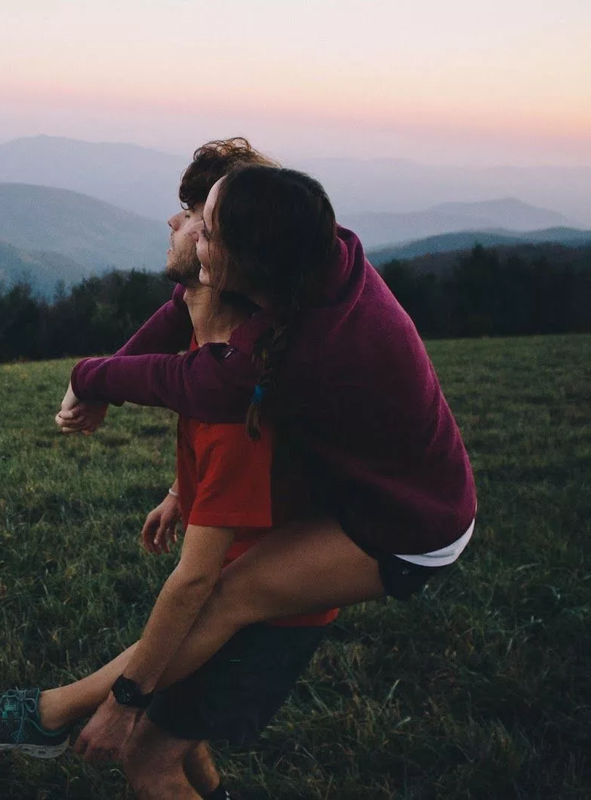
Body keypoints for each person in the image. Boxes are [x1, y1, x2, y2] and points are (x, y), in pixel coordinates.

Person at [0, 140, 339, 799]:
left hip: (268, 616)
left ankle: (44, 716)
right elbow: (158, 370)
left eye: (196, 219)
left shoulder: (238, 401)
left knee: (148, 758)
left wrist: (123, 700)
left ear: (219, 260)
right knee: (182, 733)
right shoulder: (207, 347)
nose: (175, 222)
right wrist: (182, 489)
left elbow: (194, 580)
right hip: (244, 590)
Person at [54, 163, 477, 760]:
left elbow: (188, 380)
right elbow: (181, 309)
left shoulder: (298, 350)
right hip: (399, 484)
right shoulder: (321, 253)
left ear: (245, 267)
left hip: (410, 525)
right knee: (221, 602)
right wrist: (102, 383)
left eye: (207, 232)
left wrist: (86, 375)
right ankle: (73, 712)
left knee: (225, 596)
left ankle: (63, 710)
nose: (191, 233)